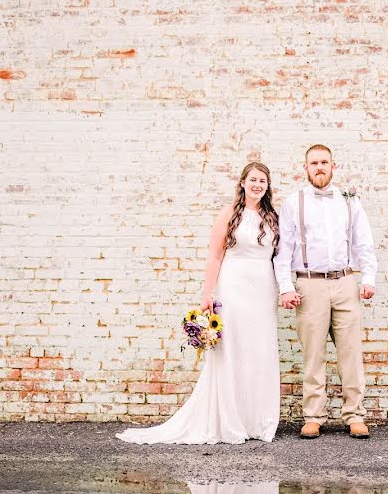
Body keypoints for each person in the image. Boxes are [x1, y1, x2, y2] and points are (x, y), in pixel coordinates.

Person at [116, 162, 280, 445]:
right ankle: (230, 419)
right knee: (233, 351)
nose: (257, 185)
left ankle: (256, 421)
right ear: (242, 182)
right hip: (234, 286)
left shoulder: (272, 216)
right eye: (252, 179)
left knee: (259, 351)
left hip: (264, 289)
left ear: (267, 186)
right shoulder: (229, 214)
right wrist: (208, 293)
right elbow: (215, 256)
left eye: (262, 181)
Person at [274, 145, 377, 439]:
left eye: (324, 162)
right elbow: (284, 250)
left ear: (333, 166)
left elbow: (363, 242)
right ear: (305, 168)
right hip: (310, 283)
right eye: (314, 163)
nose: (319, 167)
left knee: (351, 353)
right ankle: (313, 416)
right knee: (313, 354)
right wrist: (285, 287)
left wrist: (368, 278)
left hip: (345, 282)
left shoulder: (349, 200)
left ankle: (355, 414)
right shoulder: (294, 203)